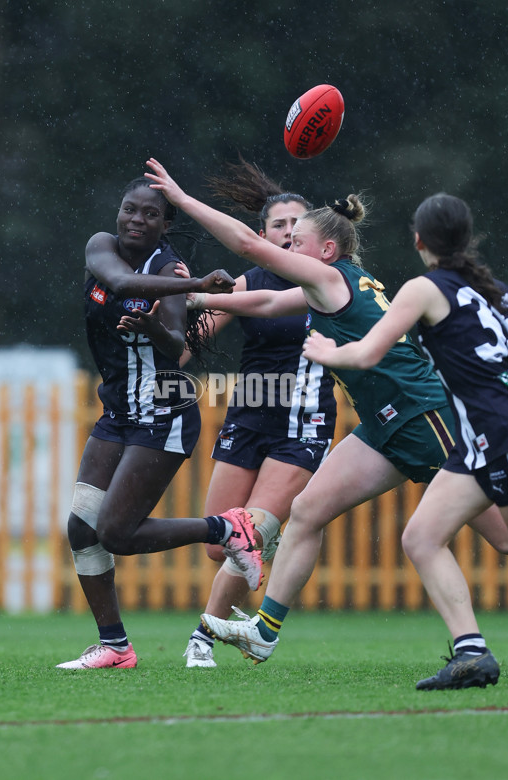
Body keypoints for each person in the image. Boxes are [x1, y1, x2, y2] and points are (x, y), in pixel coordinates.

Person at [142, 160, 508, 685]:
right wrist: (196, 295)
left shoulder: (329, 277)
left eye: (296, 240)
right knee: (308, 509)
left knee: (507, 539)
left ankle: (471, 649)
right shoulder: (330, 283)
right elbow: (269, 299)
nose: (286, 247)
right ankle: (265, 630)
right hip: (384, 426)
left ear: (326, 250)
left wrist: (182, 202)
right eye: (286, 238)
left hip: (423, 415)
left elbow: (251, 249)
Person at [300, 193, 508, 689]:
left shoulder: (424, 288)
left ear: (419, 240)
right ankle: (471, 655)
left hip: (503, 433)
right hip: (478, 440)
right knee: (422, 537)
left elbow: (367, 355)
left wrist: (326, 350)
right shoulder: (500, 291)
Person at [56, 176, 262, 670]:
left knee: (117, 535)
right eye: (130, 209)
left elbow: (175, 346)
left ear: (165, 226)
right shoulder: (101, 246)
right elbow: (121, 284)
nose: (135, 220)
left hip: (162, 413)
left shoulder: (169, 266)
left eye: (150, 215)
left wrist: (154, 325)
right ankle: (116, 647)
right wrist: (197, 287)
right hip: (118, 412)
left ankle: (225, 528)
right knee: (82, 529)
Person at [179, 160, 337, 669]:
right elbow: (198, 332)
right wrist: (153, 359)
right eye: (279, 225)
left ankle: (202, 636)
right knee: (218, 543)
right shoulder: (251, 279)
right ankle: (260, 551)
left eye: (298, 223)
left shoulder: (323, 280)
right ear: (263, 233)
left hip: (302, 422)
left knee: (250, 530)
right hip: (248, 414)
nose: (289, 232)